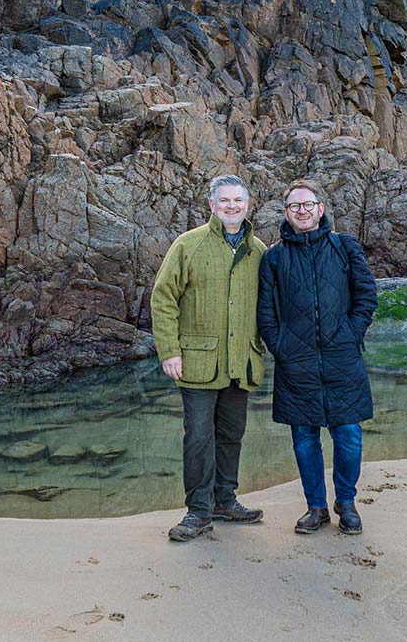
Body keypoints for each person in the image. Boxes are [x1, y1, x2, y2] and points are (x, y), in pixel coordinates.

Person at [149, 174, 270, 542]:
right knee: (199, 438)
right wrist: (169, 350)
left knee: (232, 435)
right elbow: (163, 297)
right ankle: (197, 512)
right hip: (197, 363)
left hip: (241, 361)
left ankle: (225, 500)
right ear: (212, 206)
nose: (232, 207)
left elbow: (270, 305)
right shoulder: (189, 245)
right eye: (225, 201)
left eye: (238, 201)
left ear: (248, 205)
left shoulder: (260, 251)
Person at [256, 180, 377, 536]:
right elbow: (265, 314)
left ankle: (347, 502)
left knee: (349, 435)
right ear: (286, 214)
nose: (302, 211)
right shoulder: (274, 257)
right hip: (297, 363)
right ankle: (316, 508)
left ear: (321, 208)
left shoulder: (344, 246)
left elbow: (366, 295)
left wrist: (351, 333)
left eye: (308, 205)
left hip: (343, 359)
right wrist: (282, 347)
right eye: (295, 207)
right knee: (305, 438)